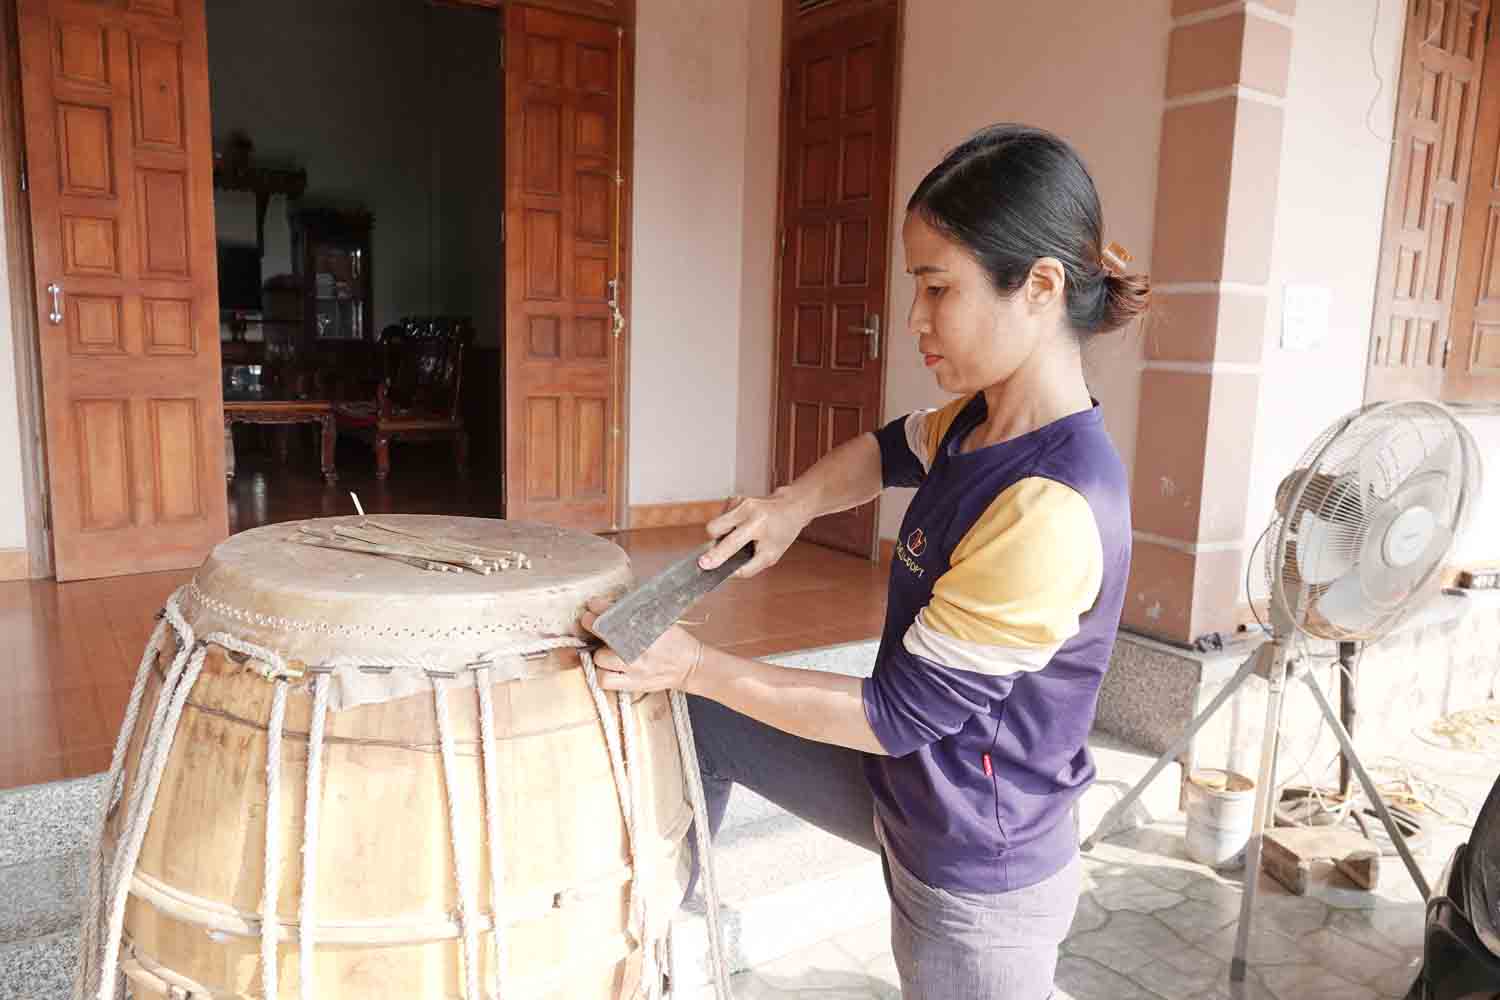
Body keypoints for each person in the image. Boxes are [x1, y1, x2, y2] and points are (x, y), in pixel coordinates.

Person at [581, 123, 1148, 999]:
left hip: (973, 862)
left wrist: (692, 660)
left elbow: (894, 715)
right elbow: (886, 451)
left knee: (698, 690)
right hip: (909, 789)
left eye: (937, 288)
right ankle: (645, 950)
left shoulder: (1054, 503)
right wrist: (789, 506)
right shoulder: (979, 418)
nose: (916, 319)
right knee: (705, 723)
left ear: (1039, 286)